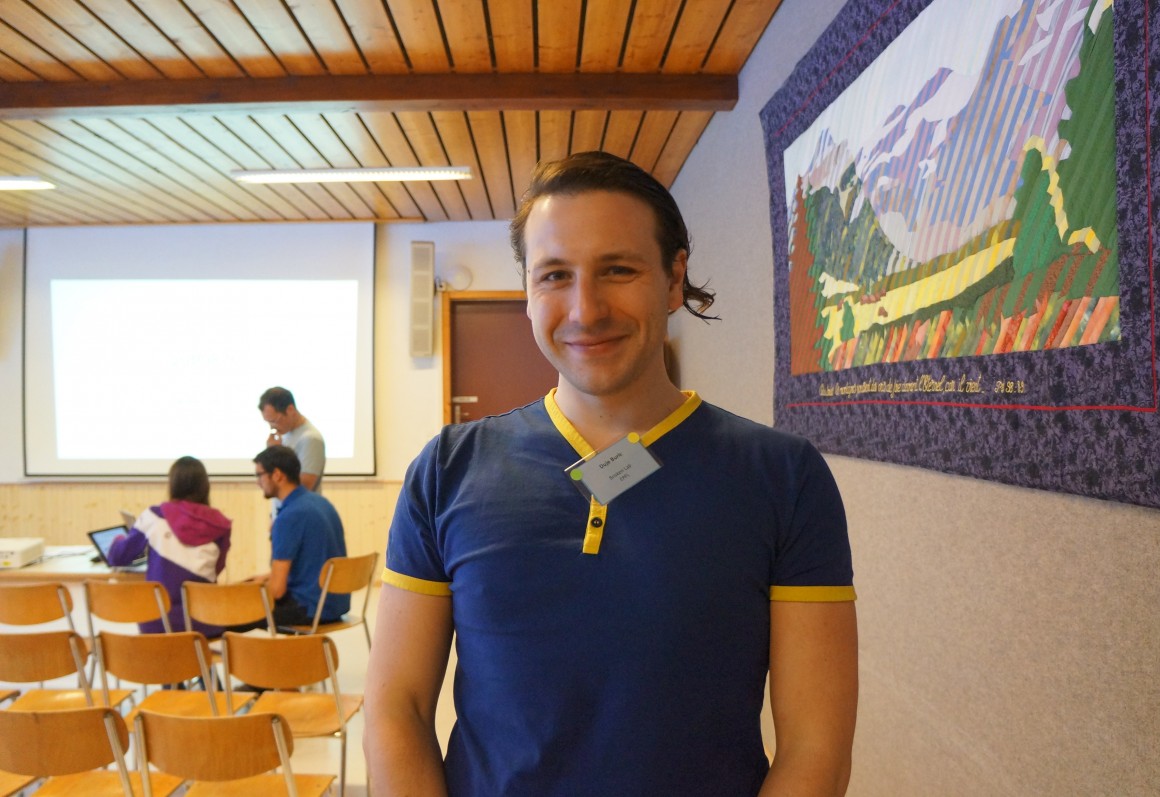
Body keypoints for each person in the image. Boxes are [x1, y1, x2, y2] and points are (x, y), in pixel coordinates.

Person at [364, 151, 858, 797]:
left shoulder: (783, 477)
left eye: (618, 270)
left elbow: (816, 748)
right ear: (528, 291)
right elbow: (395, 709)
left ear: (674, 279)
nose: (585, 309)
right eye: (555, 275)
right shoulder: (447, 470)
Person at [108, 455, 232, 637]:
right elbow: (217, 569)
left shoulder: (154, 516)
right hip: (205, 623)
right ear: (205, 486)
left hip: (158, 622)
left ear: (172, 484)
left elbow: (118, 557)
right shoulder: (221, 524)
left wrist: (119, 538)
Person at [245, 445, 348, 628]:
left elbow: (277, 591)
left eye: (259, 475)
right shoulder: (321, 503)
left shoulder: (288, 517)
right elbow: (311, 564)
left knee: (227, 616)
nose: (257, 482)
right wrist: (267, 577)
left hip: (308, 608)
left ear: (277, 475)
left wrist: (242, 594)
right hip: (335, 605)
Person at [258, 386, 325, 492]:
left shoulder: (311, 439)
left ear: (290, 409)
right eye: (268, 422)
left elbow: (303, 487)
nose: (272, 427)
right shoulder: (284, 433)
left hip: (299, 503)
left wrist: (275, 454)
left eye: (274, 421)